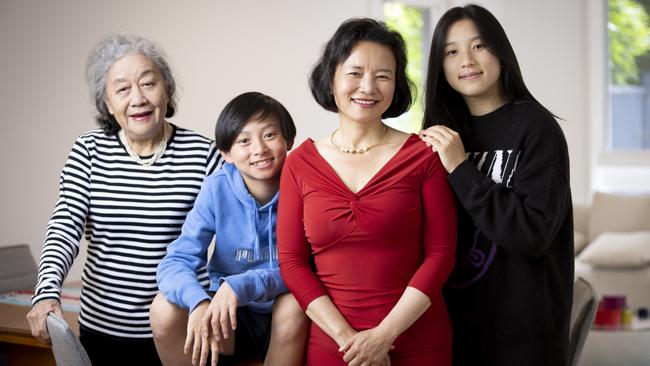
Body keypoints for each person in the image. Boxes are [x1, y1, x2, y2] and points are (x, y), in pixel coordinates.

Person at [25, 34, 223, 365]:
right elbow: (65, 227)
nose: (138, 98)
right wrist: (46, 292)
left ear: (167, 89)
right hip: (103, 335)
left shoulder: (203, 154)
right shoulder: (88, 151)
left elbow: (238, 231)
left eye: (148, 83)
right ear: (107, 101)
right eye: (122, 89)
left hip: (180, 333)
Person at [278, 18, 457, 365]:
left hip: (416, 339)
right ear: (331, 78)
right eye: (355, 73)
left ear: (396, 87)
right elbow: (292, 261)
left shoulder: (423, 156)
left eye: (383, 76)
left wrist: (384, 336)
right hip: (334, 344)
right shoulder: (299, 163)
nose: (368, 86)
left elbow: (441, 254)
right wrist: (350, 341)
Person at [419, 4, 574, 365]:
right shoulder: (441, 134)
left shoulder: (536, 128)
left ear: (501, 52)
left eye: (479, 45)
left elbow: (531, 234)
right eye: (452, 51)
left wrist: (461, 167)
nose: (467, 60)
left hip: (521, 340)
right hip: (451, 332)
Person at [151, 91, 308, 366]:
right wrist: (198, 302)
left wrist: (240, 285)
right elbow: (176, 261)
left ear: (289, 140)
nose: (259, 148)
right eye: (244, 141)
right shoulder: (216, 188)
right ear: (226, 153)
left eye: (269, 135)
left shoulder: (305, 186)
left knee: (293, 306)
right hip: (231, 316)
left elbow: (307, 268)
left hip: (285, 315)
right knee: (163, 307)